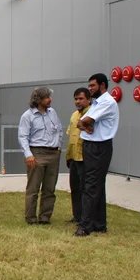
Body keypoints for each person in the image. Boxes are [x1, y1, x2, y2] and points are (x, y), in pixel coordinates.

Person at [74, 73, 120, 236]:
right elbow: (80, 122)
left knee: (91, 186)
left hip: (99, 147)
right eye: (89, 85)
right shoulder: (97, 103)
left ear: (102, 85)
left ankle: (84, 226)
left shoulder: (107, 102)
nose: (90, 89)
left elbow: (85, 121)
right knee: (96, 185)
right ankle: (99, 224)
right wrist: (84, 124)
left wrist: (84, 124)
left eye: (93, 86)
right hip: (91, 146)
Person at [17, 86, 63, 225]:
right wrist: (28, 155)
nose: (50, 100)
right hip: (36, 153)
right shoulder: (28, 116)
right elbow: (23, 137)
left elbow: (59, 130)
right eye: (47, 97)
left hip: (53, 153)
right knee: (33, 188)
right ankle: (31, 218)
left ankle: (45, 218)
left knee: (50, 188)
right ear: (38, 99)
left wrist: (59, 146)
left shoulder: (52, 112)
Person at [65, 88, 91, 224]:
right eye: (76, 99)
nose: (78, 101)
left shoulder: (92, 114)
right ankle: (76, 215)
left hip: (84, 159)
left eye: (81, 98)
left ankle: (85, 218)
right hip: (73, 159)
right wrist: (68, 156)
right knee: (74, 188)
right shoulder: (74, 115)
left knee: (84, 189)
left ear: (89, 99)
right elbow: (71, 137)